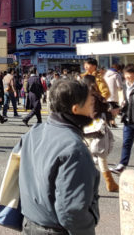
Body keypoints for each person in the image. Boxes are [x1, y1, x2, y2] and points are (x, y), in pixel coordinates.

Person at [16, 79, 100, 234]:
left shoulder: (34, 133)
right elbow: (72, 212)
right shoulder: (74, 149)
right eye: (90, 105)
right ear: (75, 109)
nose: (92, 110)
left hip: (30, 222)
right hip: (56, 229)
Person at [81, 74, 118, 193]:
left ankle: (88, 184)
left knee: (88, 157)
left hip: (85, 129)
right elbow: (95, 113)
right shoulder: (94, 96)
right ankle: (109, 183)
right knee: (101, 156)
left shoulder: (81, 96)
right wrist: (110, 114)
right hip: (95, 129)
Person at [103, 63, 124, 127]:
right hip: (114, 95)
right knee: (115, 109)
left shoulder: (105, 75)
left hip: (106, 95)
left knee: (108, 109)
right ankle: (112, 122)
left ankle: (109, 121)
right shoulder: (116, 75)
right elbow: (119, 86)